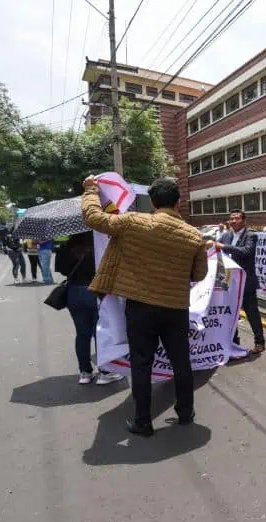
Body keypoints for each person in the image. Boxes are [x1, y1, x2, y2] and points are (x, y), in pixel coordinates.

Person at [82, 175, 208, 437]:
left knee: (142, 364)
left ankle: (143, 421)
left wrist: (91, 191)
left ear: (151, 201)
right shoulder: (195, 236)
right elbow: (198, 276)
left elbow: (94, 219)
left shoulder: (133, 222)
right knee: (181, 361)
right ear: (178, 203)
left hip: (141, 308)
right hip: (176, 308)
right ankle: (185, 413)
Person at [55, 232, 125, 386]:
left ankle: (85, 372)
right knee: (99, 333)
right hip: (96, 292)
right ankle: (105, 372)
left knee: (82, 333)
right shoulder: (100, 246)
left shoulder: (66, 247)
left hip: (74, 293)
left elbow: (61, 269)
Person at [211, 210, 265, 354]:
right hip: (229, 283)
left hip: (246, 284)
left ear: (244, 220)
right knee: (230, 314)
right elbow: (215, 248)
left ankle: (260, 342)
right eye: (231, 219)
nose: (233, 221)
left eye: (236, 218)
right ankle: (234, 343)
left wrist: (223, 247)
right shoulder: (226, 235)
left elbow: (246, 252)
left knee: (252, 314)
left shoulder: (251, 235)